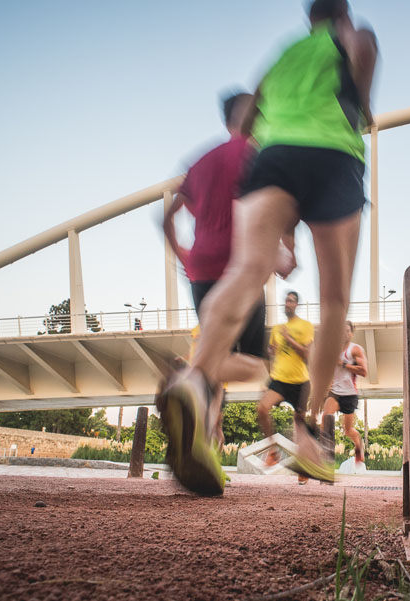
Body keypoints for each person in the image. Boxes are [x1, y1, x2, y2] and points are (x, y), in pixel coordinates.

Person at [182, 0, 378, 488]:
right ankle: (310, 426)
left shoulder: (283, 55)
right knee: (334, 299)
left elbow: (248, 114)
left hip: (273, 158)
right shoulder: (347, 36)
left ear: (308, 17)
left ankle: (196, 378)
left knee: (246, 271)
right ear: (342, 13)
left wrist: (284, 231)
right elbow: (364, 48)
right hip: (334, 155)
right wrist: (363, 104)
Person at [158, 92, 276, 495]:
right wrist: (282, 248)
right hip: (240, 268)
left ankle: (200, 446)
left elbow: (165, 217)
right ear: (254, 117)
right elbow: (267, 207)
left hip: (201, 270)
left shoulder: (200, 161)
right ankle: (189, 378)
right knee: (257, 367)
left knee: (213, 355)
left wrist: (184, 255)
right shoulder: (255, 155)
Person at [259, 291, 313, 483]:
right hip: (279, 379)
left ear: (297, 304)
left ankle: (303, 467)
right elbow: (273, 352)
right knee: (262, 409)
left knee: (299, 425)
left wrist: (290, 339)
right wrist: (270, 352)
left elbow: (307, 354)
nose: (287, 304)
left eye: (291, 301)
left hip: (300, 381)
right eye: (285, 301)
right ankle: (273, 451)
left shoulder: (305, 326)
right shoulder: (277, 329)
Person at [322, 321, 368, 474]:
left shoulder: (355, 350)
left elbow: (364, 371)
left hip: (350, 394)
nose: (344, 334)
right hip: (335, 392)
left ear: (351, 333)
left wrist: (344, 364)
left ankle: (358, 444)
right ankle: (327, 459)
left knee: (348, 430)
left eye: (347, 331)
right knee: (326, 417)